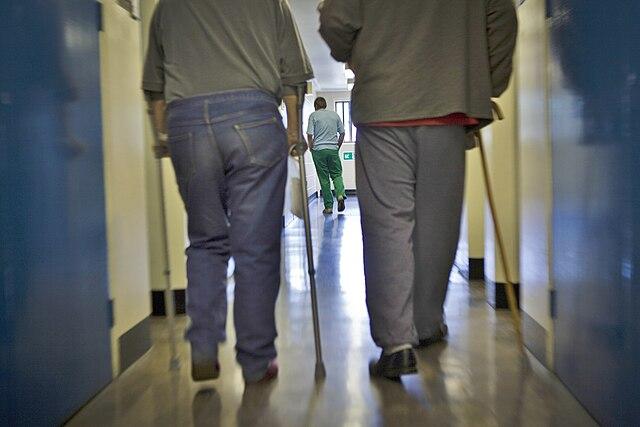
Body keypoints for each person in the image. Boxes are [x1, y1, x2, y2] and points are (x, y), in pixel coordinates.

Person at [319, 0, 517, 379]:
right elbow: (502, 18)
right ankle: (426, 325)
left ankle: (396, 344)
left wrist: (355, 50)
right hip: (449, 103)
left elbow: (335, 18)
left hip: (384, 104)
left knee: (387, 225)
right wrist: (485, 81)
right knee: (438, 223)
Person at [143, 0, 313, 384]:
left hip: (186, 123)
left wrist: (164, 137)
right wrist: (292, 130)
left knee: (205, 241)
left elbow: (155, 88)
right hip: (253, 118)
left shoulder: (167, 6)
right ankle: (255, 361)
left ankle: (203, 346)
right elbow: (293, 77)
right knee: (255, 246)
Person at [307, 97, 347, 214]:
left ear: (315, 106)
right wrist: (337, 146)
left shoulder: (313, 115)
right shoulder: (335, 115)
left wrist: (311, 147)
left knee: (324, 179)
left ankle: (329, 207)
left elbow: (310, 134)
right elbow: (343, 133)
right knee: (337, 175)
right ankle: (340, 195)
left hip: (319, 150)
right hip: (332, 149)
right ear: (325, 105)